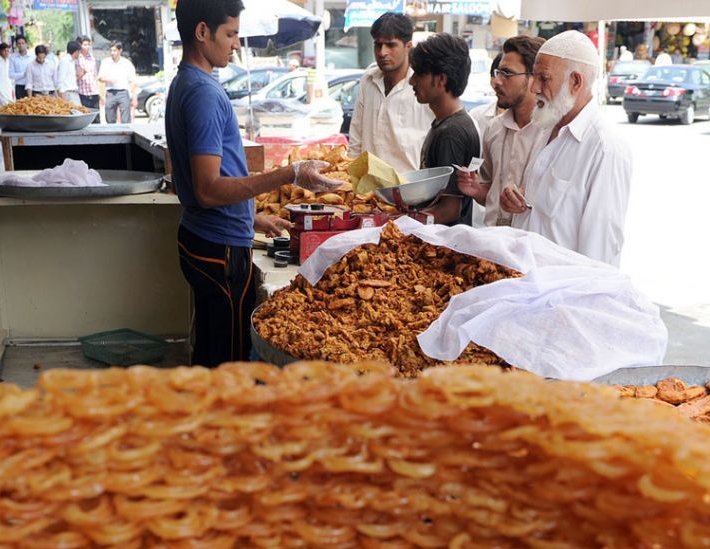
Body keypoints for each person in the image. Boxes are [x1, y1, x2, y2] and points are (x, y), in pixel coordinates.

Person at [166, 0, 342, 367]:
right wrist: (290, 174)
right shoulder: (203, 93)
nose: (236, 45)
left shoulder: (185, 81)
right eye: (230, 34)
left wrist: (251, 218)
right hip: (220, 250)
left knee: (211, 348)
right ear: (202, 32)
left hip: (206, 236)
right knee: (228, 363)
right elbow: (209, 188)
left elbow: (210, 186)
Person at [500, 30, 632, 267]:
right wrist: (516, 200)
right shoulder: (549, 126)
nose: (534, 88)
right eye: (534, 77)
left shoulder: (605, 147)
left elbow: (599, 252)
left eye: (544, 78)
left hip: (563, 295)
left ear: (575, 82)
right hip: (528, 285)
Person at [458, 36, 545, 228]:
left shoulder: (551, 135)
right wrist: (475, 190)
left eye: (507, 73)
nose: (496, 81)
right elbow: (490, 193)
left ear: (533, 78)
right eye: (498, 72)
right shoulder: (494, 128)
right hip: (492, 245)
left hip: (530, 250)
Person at [347, 12, 434, 173]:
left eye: (390, 45)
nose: (382, 52)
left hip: (409, 190)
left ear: (408, 46)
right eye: (378, 45)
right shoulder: (368, 80)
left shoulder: (423, 85)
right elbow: (356, 138)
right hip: (367, 190)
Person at [408, 33, 480, 226]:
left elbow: (449, 210)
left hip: (443, 246)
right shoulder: (446, 123)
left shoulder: (452, 131)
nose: (412, 81)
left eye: (419, 74)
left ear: (441, 80)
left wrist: (401, 224)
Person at [98, 41, 137, 123]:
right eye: (111, 50)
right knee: (109, 117)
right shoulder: (106, 62)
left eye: (114, 50)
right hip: (110, 92)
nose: (112, 53)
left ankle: (126, 133)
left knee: (126, 118)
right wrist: (108, 80)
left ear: (120, 51)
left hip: (123, 92)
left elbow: (132, 81)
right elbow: (100, 78)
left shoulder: (126, 63)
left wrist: (134, 98)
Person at [468, 55, 505, 139]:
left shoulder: (536, 125)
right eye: (497, 74)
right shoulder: (476, 117)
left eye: (507, 74)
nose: (498, 81)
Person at [76, 35, 100, 120]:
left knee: (96, 118)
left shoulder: (92, 58)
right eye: (85, 45)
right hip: (82, 93)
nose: (87, 47)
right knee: (85, 118)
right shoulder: (76, 59)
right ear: (79, 45)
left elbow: (95, 75)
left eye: (88, 44)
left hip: (94, 92)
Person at [57, 40, 81, 105]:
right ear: (76, 51)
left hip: (74, 93)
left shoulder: (72, 62)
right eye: (79, 52)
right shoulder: (64, 61)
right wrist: (62, 98)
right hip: (68, 94)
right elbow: (60, 80)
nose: (79, 54)